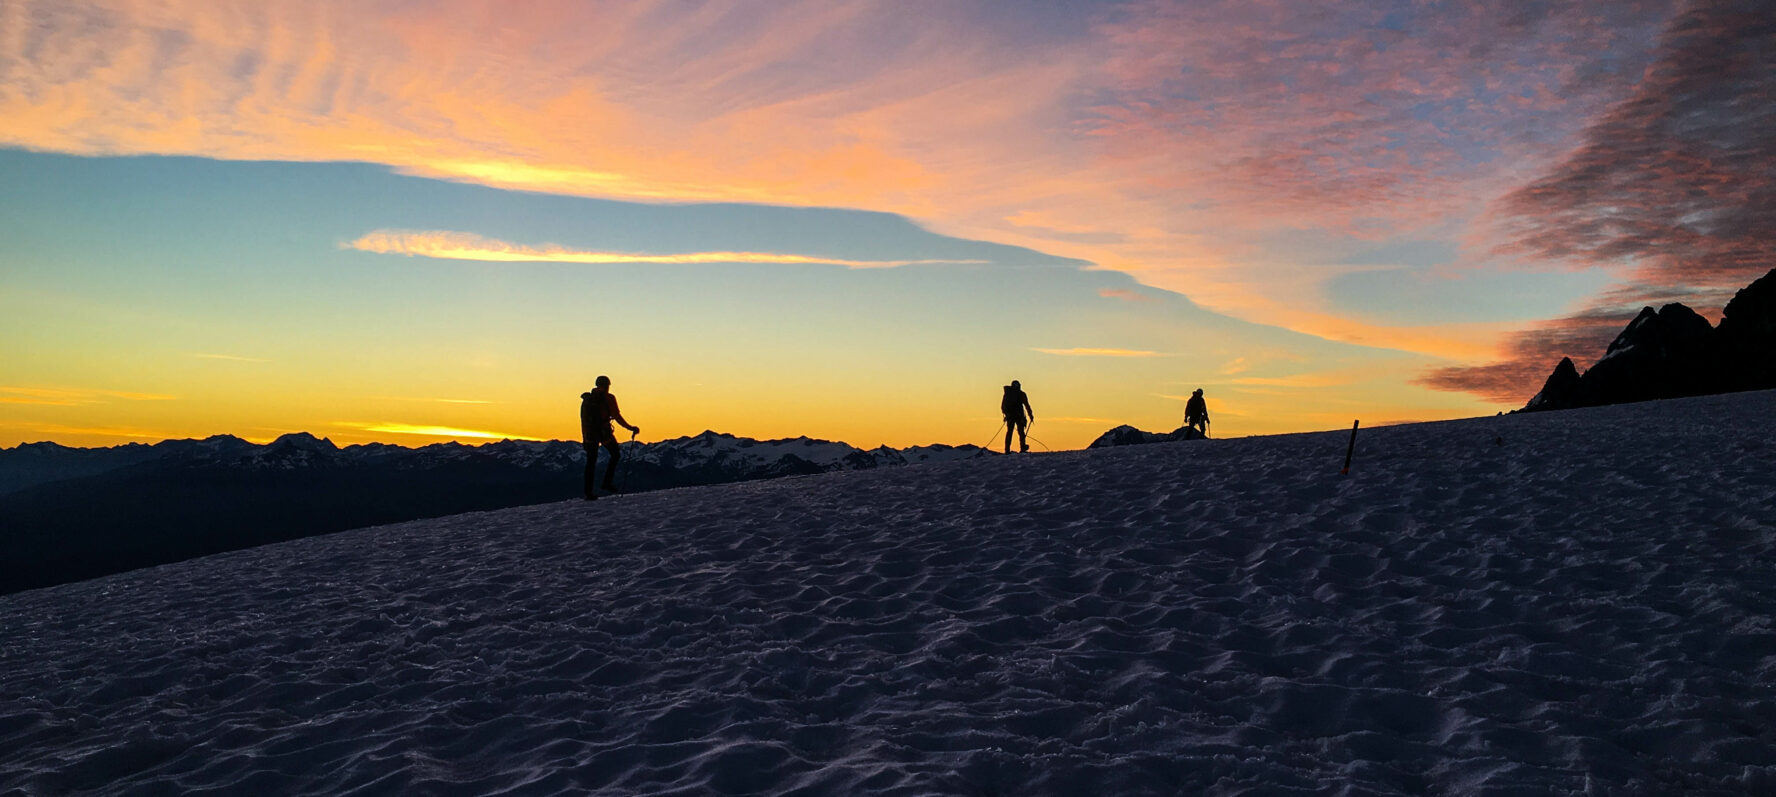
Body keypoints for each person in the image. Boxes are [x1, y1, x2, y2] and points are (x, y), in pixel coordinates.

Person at [580, 375, 640, 499]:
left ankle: (588, 492)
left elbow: (584, 421)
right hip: (604, 433)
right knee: (615, 454)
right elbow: (617, 416)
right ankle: (607, 482)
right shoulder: (609, 398)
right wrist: (630, 428)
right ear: (607, 385)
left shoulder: (587, 400)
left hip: (590, 435)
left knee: (591, 463)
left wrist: (585, 439)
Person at [1001, 380, 1034, 453]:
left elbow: (1003, 406)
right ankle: (1022, 447)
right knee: (1021, 432)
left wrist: (1006, 414)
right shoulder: (1021, 394)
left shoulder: (1007, 394)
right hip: (1019, 416)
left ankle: (1007, 450)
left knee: (1009, 432)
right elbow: (1027, 405)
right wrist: (1030, 415)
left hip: (1010, 416)